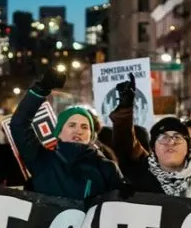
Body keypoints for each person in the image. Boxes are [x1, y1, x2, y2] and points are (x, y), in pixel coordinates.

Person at [8, 69, 121, 200]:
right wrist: (41, 90)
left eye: (85, 127)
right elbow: (19, 123)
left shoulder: (107, 168)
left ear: (91, 136)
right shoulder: (41, 160)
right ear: (59, 133)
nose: (78, 131)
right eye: (71, 125)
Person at [109, 76, 191, 201]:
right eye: (163, 138)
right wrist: (125, 109)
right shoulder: (140, 173)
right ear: (153, 147)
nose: (171, 142)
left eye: (177, 137)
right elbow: (125, 143)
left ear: (188, 146)